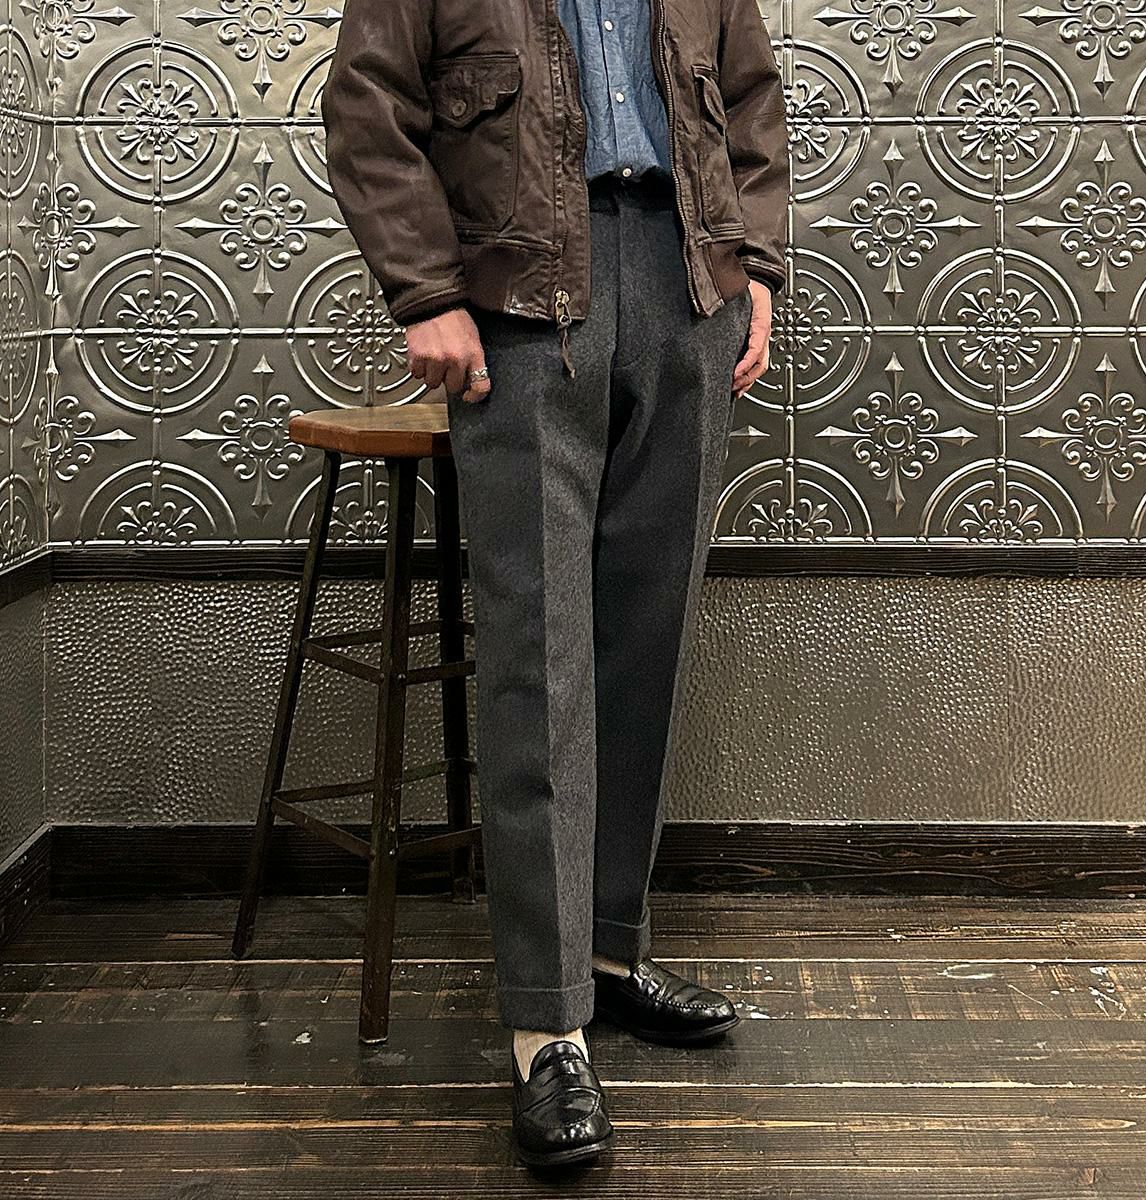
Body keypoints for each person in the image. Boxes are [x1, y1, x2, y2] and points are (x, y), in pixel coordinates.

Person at [322, 0, 788, 1169]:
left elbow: (748, 99)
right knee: (541, 658)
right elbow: (369, 106)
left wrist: (756, 266)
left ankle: (611, 952)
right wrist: (425, 291)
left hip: (685, 283)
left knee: (646, 638)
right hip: (521, 299)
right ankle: (546, 1025)